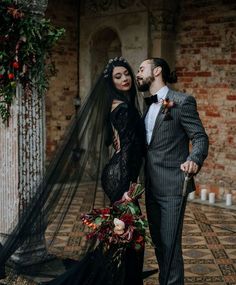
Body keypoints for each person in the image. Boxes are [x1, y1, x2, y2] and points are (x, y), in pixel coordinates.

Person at [44, 56, 146, 285]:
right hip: (121, 176)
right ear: (111, 83)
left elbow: (121, 143)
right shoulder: (124, 108)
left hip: (116, 172)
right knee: (133, 234)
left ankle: (117, 277)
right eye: (117, 77)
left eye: (126, 74)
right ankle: (121, 279)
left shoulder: (117, 104)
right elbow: (130, 150)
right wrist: (129, 189)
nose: (124, 79)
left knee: (124, 234)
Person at [136, 57, 209, 285]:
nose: (137, 74)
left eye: (141, 69)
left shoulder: (181, 101)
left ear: (156, 71)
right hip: (150, 186)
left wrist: (194, 159)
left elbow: (199, 137)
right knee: (158, 243)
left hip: (172, 187)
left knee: (170, 244)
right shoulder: (146, 105)